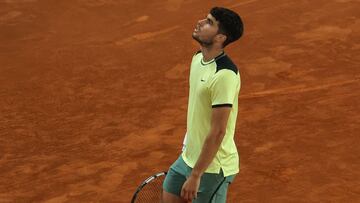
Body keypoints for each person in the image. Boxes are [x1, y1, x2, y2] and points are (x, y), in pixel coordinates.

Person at [162, 6, 244, 203]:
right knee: (169, 195)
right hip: (189, 156)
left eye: (209, 22)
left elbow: (218, 131)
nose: (200, 22)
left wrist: (196, 175)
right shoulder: (198, 59)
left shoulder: (224, 75)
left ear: (220, 38)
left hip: (213, 167)